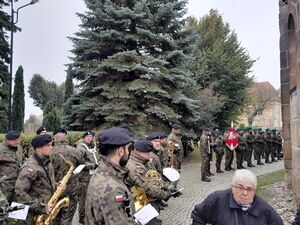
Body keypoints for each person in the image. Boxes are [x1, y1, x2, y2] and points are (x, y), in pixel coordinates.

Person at [191, 169, 284, 225]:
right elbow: (198, 215)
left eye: (249, 189)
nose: (244, 193)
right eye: (240, 188)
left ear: (255, 191)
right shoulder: (217, 200)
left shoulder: (265, 209)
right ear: (232, 187)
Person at [85, 127, 136, 225]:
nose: (129, 153)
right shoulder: (112, 190)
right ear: (121, 151)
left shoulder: (101, 171)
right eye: (128, 149)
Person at [126, 139, 181, 225]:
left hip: (151, 202)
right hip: (140, 205)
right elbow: (147, 188)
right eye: (147, 152)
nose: (150, 155)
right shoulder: (133, 166)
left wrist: (170, 188)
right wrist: (165, 194)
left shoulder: (146, 162)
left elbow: (157, 178)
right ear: (138, 152)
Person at [14, 134, 56, 225]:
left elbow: (44, 184)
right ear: (38, 149)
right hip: (32, 216)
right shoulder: (30, 167)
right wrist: (41, 207)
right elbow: (19, 193)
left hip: (46, 210)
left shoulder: (47, 162)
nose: (51, 147)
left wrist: (56, 185)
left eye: (51, 145)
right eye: (48, 145)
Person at [76, 130, 99, 224]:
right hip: (84, 178)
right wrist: (93, 165)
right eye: (87, 137)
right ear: (83, 137)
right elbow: (79, 162)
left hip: (94, 176)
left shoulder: (93, 146)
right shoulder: (81, 148)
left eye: (91, 136)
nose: (89, 138)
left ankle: (91, 215)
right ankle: (82, 218)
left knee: (93, 197)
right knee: (83, 198)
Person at [0, 130, 23, 202]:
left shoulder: (19, 148)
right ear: (7, 140)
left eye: (18, 139)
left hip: (18, 186)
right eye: (14, 140)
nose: (17, 142)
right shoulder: (1, 149)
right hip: (4, 187)